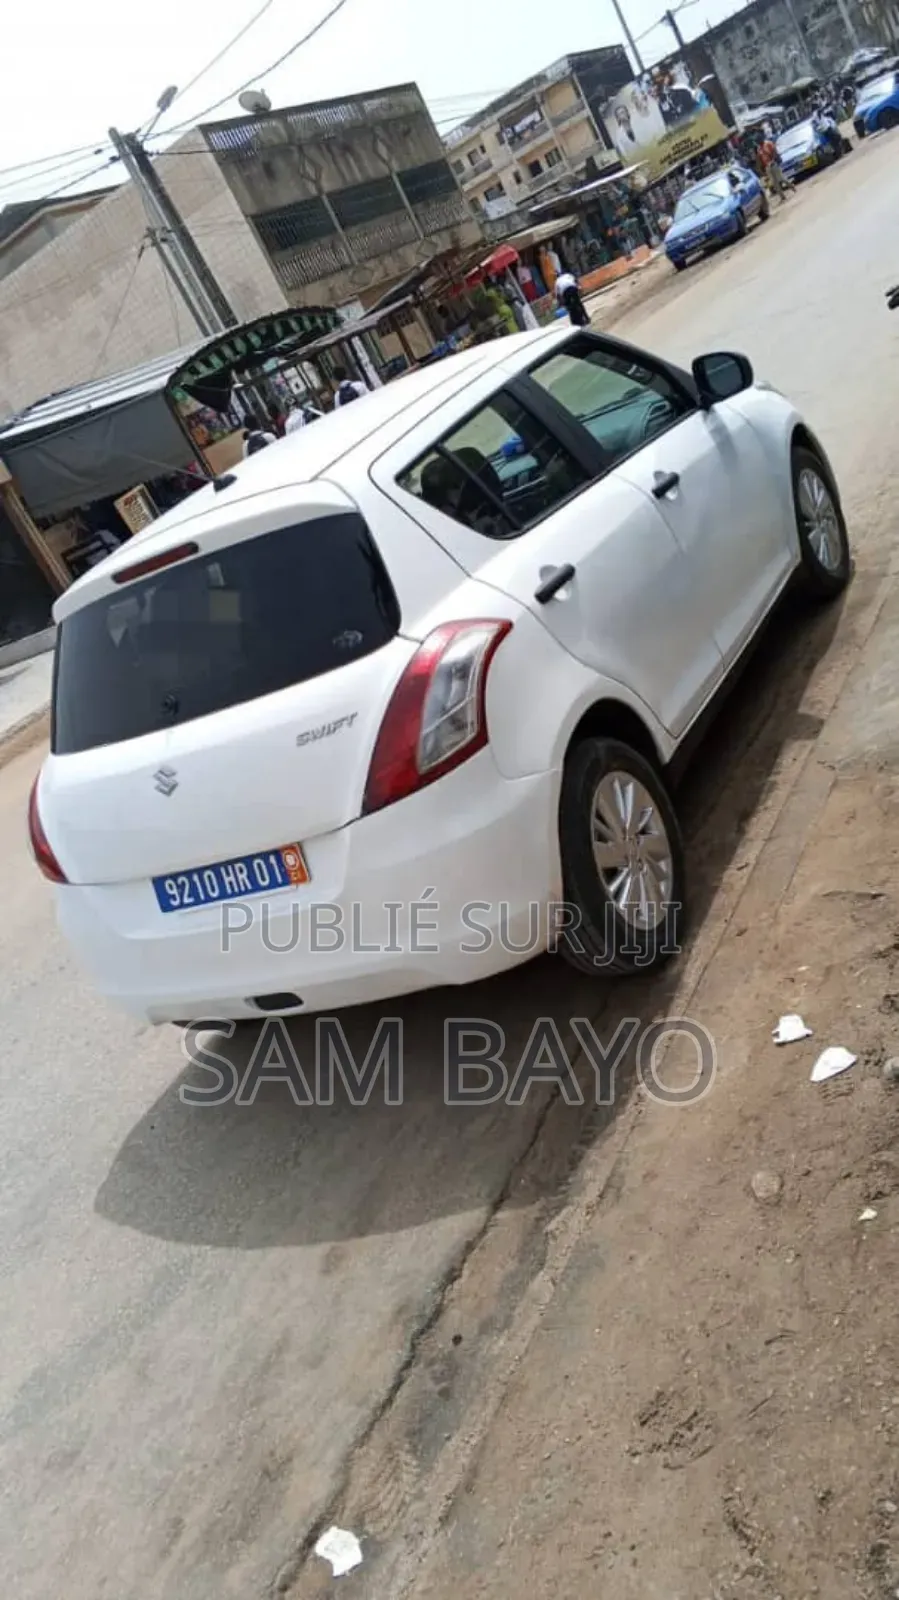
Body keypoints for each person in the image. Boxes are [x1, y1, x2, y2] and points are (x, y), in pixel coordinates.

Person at [758, 134, 793, 200]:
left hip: (773, 164)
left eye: (759, 139)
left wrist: (773, 160)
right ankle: (782, 197)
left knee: (781, 178)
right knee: (774, 183)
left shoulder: (768, 143)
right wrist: (763, 168)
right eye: (757, 141)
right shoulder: (759, 149)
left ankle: (791, 186)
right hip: (767, 167)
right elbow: (760, 158)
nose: (758, 141)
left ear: (762, 138)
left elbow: (774, 152)